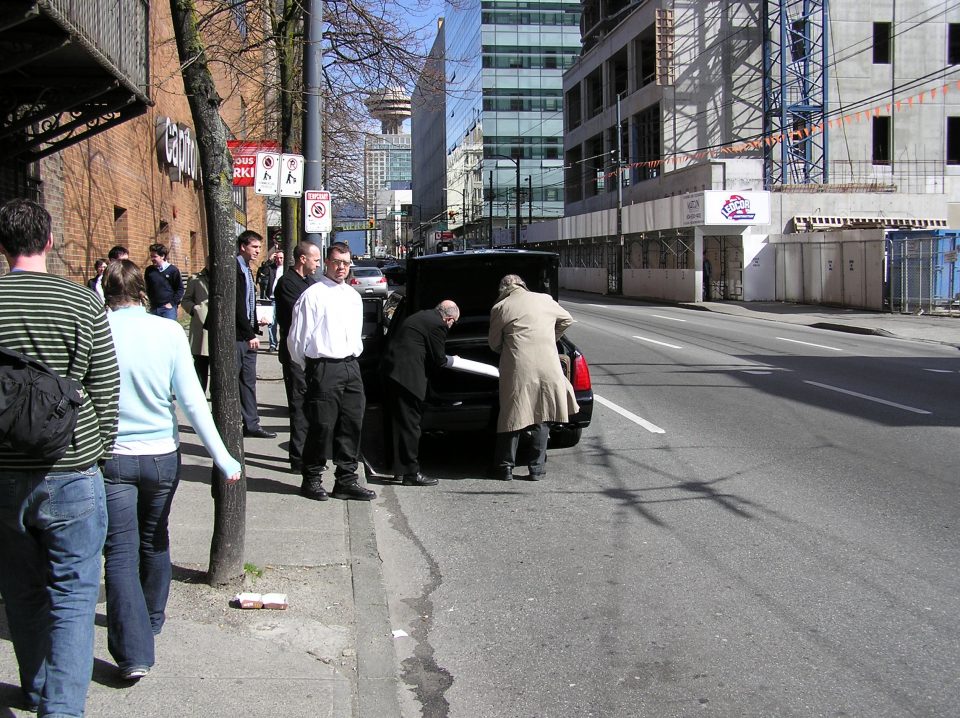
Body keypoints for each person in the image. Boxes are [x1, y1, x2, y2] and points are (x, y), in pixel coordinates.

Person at [0, 198, 120, 716]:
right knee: (73, 596)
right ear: (49, 241)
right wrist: (100, 444)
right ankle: (61, 708)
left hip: (4, 473)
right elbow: (105, 386)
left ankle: (35, 685)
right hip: (71, 470)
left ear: (3, 246)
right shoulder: (81, 303)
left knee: (21, 592)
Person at [100, 259, 241, 681]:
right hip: (161, 454)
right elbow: (193, 401)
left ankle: (131, 650)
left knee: (120, 552)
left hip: (113, 455)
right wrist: (223, 456)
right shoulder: (166, 333)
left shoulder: (95, 331)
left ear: (104, 292)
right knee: (155, 538)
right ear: (143, 292)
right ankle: (153, 618)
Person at [288, 241, 377, 501]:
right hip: (324, 366)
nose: (341, 268)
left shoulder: (352, 296)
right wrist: (310, 369)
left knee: (351, 424)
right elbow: (296, 340)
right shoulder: (313, 295)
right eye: (337, 262)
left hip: (350, 365)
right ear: (327, 262)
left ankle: (346, 480)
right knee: (322, 425)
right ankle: (312, 478)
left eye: (346, 263)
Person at [488, 274, 579, 481]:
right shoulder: (545, 299)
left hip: (519, 367)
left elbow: (494, 344)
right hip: (549, 365)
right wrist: (550, 337)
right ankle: (537, 469)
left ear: (502, 289)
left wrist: (509, 345)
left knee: (513, 416)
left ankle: (505, 468)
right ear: (522, 284)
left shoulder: (501, 307)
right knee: (542, 414)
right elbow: (567, 319)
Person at [381, 301, 460, 486]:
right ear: (448, 318)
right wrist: (454, 360)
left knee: (400, 424)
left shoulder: (423, 315)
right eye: (453, 323)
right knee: (410, 426)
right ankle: (411, 473)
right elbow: (439, 358)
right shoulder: (438, 325)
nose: (451, 326)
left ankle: (399, 469)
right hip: (407, 378)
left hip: (393, 374)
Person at [274, 241, 321, 472]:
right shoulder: (287, 283)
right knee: (299, 405)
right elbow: (301, 316)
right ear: (303, 259)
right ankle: (298, 458)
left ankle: (309, 454)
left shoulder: (310, 282)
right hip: (294, 353)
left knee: (311, 405)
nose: (318, 264)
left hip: (311, 354)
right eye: (316, 259)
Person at [236, 229, 276, 439]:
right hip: (238, 336)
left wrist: (256, 322)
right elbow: (236, 306)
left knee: (248, 382)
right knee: (235, 381)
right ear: (243, 246)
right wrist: (249, 332)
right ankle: (234, 423)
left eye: (260, 247)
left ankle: (251, 424)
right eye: (255, 247)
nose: (258, 251)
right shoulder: (235, 268)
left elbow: (248, 303)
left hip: (249, 332)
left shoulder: (247, 269)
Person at [181, 261, 210, 391]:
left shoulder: (228, 277)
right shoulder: (195, 279)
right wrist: (194, 309)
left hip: (220, 328)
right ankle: (199, 394)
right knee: (200, 363)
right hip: (201, 327)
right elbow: (186, 300)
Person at [143, 242, 184, 319]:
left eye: (155, 256)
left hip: (168, 310)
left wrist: (172, 303)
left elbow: (180, 289)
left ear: (162, 256)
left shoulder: (173, 270)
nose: (152, 259)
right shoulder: (149, 270)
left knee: (169, 330)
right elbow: (147, 287)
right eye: (151, 256)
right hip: (154, 308)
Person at [257, 247, 284, 351]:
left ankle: (282, 344)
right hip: (271, 299)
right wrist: (269, 260)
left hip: (282, 299)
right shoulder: (271, 267)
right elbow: (262, 271)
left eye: (281, 258)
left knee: (282, 324)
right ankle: (273, 344)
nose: (279, 260)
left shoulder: (287, 268)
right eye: (277, 258)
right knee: (271, 323)